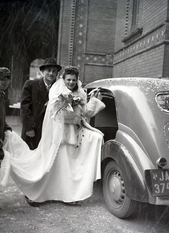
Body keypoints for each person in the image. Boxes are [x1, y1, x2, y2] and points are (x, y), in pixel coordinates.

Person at [0, 66, 105, 206]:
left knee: (70, 166)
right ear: (63, 79)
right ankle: (43, 194)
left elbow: (86, 112)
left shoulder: (80, 92)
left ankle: (69, 195)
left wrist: (94, 101)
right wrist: (70, 105)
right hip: (58, 133)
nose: (71, 82)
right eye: (68, 79)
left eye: (74, 80)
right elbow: (56, 113)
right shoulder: (57, 90)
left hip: (74, 134)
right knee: (54, 166)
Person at [20, 58, 62, 149]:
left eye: (54, 71)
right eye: (48, 70)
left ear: (57, 74)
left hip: (49, 130)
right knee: (30, 155)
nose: (51, 73)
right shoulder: (31, 85)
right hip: (34, 129)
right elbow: (25, 107)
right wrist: (29, 127)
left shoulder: (58, 89)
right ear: (42, 72)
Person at [0, 67, 12, 168]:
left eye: (7, 80)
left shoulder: (2, 95)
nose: (5, 83)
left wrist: (6, 126)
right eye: (2, 80)